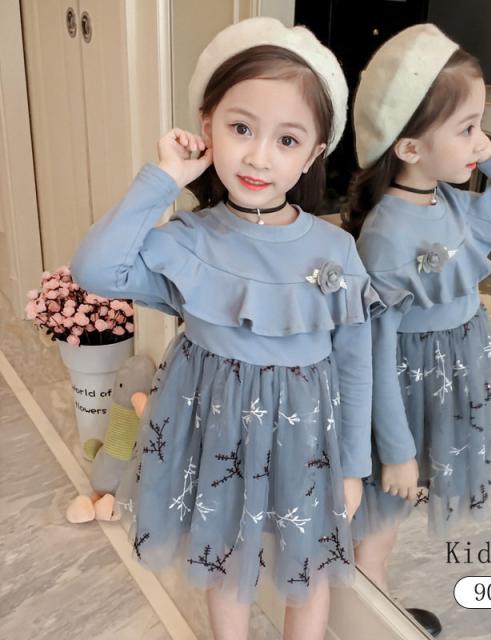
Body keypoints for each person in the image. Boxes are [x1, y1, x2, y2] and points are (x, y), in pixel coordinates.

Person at [71, 17, 380, 640]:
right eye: (241, 128)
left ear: (314, 154)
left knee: (307, 567)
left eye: (287, 139)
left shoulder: (334, 250)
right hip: (214, 432)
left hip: (303, 438)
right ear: (207, 125)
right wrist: (163, 178)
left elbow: (355, 363)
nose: (260, 156)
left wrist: (352, 466)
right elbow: (95, 269)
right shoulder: (190, 237)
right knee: (225, 558)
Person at [343, 23, 491, 634]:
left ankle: (370, 603)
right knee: (380, 514)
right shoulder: (388, 234)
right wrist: (397, 451)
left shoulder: (453, 203)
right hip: (405, 392)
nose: (477, 142)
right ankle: (370, 616)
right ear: (409, 147)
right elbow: (374, 353)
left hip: (447, 381)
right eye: (466, 129)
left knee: (396, 513)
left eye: (481, 126)